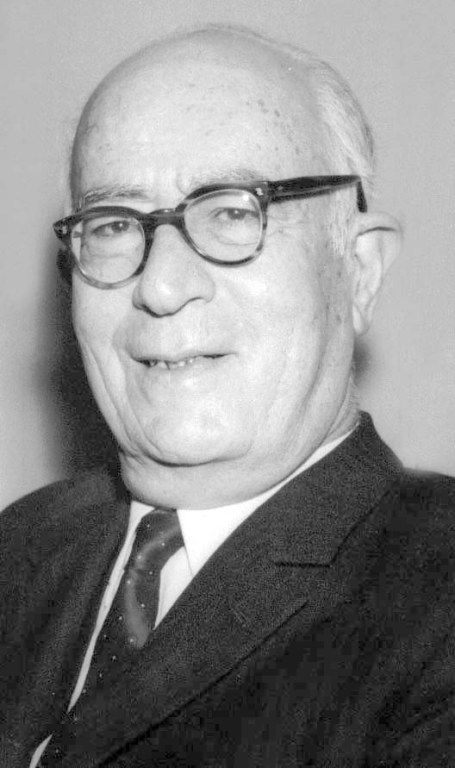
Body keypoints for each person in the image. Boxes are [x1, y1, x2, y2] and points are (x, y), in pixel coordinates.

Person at [1, 24, 454, 768]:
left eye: (233, 212)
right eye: (113, 225)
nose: (160, 286)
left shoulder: (434, 599)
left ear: (359, 270)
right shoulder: (22, 548)